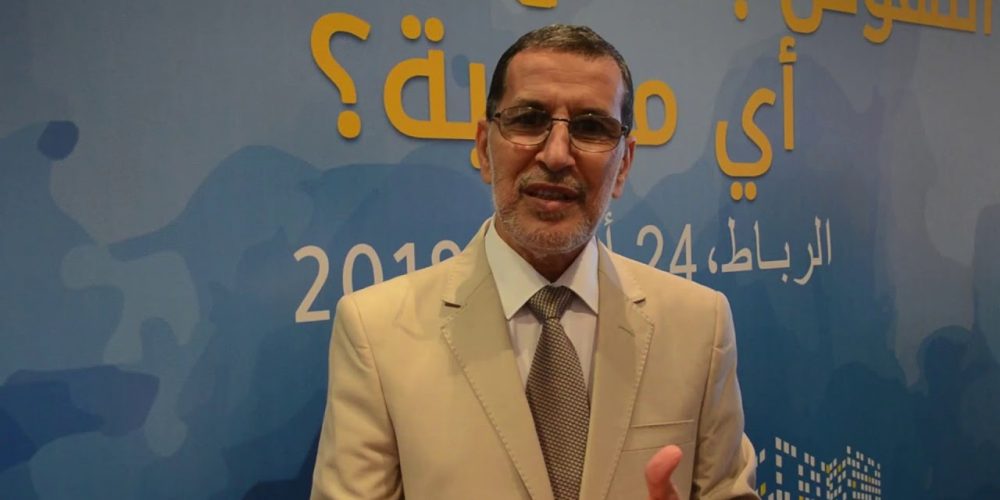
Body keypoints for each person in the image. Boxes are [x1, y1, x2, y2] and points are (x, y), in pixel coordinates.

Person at [310, 24, 758, 500]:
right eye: (528, 120)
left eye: (591, 128)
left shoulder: (698, 325)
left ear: (623, 165)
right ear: (484, 149)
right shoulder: (376, 334)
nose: (557, 155)